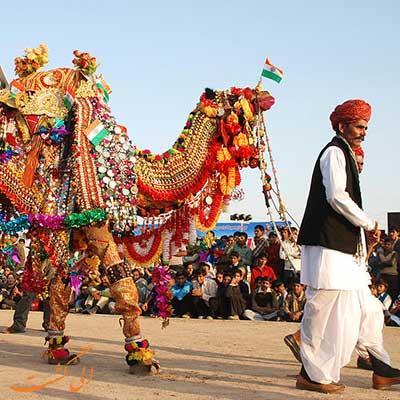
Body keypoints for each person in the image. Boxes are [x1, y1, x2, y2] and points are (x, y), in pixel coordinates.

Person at [292, 99, 400, 393]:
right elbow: (336, 196)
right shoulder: (334, 153)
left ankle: (380, 366)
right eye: (359, 126)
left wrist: (364, 233)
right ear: (342, 125)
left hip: (344, 250)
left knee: (364, 310)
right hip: (327, 246)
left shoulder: (347, 156)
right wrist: (367, 222)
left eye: (366, 127)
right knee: (322, 310)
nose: (364, 131)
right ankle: (311, 374)